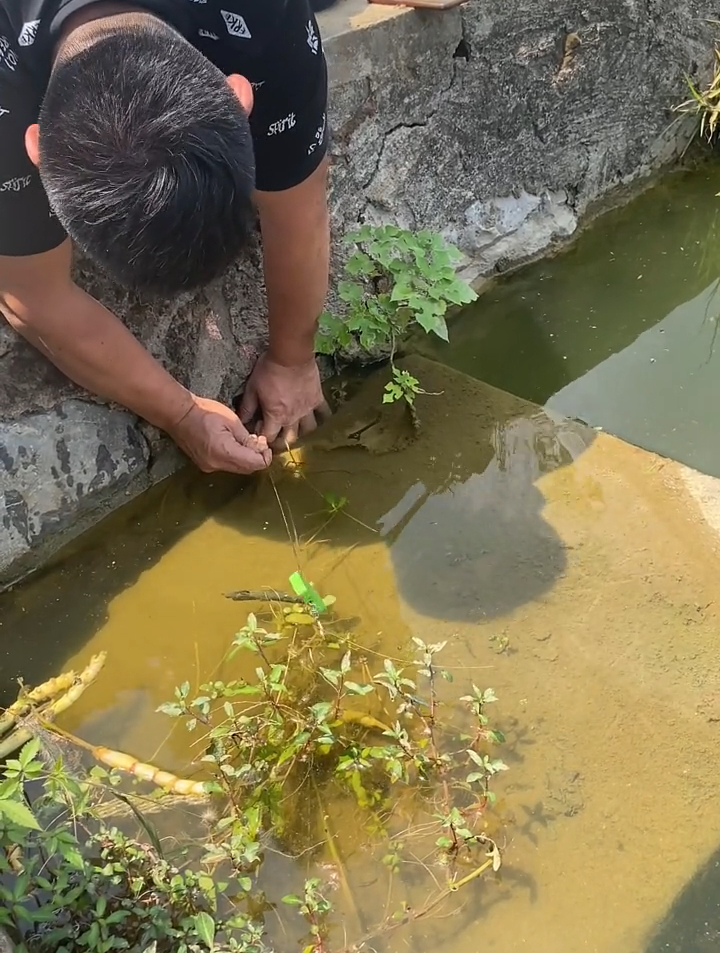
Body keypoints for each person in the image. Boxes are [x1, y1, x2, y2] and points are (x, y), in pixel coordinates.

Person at [0, 0, 334, 476]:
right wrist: (180, 414)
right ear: (37, 148)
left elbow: (300, 207)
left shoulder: (266, 14)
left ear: (239, 95)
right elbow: (29, 295)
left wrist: (293, 360)